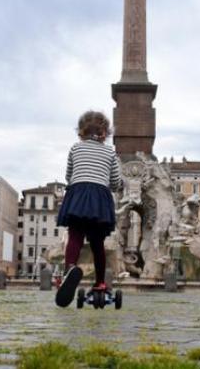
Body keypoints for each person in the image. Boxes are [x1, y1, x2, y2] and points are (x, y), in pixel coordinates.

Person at [55, 111, 122, 307]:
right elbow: (116, 182)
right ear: (105, 133)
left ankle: (69, 270)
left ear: (81, 132)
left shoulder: (75, 148)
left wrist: (80, 181)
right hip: (100, 197)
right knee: (97, 243)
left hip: (77, 193)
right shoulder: (110, 152)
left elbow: (68, 174)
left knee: (75, 236)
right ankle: (100, 282)